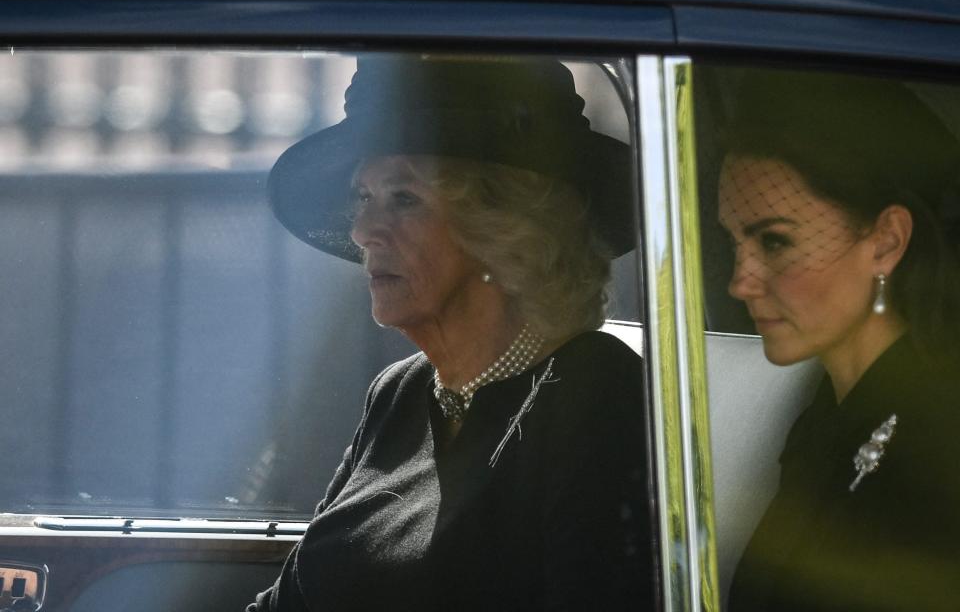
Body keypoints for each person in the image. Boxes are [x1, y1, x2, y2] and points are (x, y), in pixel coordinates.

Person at [248, 55, 654, 611]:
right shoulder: (401, 391)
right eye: (364, 197)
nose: (364, 230)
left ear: (503, 228)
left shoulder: (594, 394)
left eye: (404, 198)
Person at [716, 69, 960, 611]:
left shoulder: (942, 434)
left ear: (885, 242)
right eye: (733, 241)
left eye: (775, 241)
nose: (740, 281)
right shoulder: (823, 415)